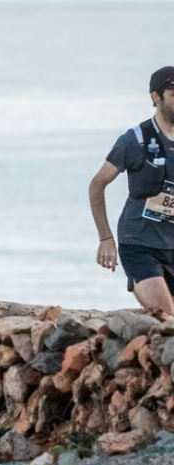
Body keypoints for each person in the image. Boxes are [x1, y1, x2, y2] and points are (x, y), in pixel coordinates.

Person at [89, 66, 174, 315]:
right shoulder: (135, 140)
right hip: (139, 244)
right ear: (156, 97)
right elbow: (97, 184)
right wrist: (105, 238)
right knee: (168, 318)